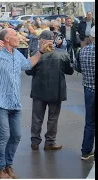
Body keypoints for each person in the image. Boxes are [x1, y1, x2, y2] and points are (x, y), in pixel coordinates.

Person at [0, 28, 53, 178]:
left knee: (16, 136)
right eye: (15, 35)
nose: (19, 36)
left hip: (15, 103)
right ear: (7, 39)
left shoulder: (17, 54)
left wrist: (40, 51)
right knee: (4, 136)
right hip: (0, 102)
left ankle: (8, 165)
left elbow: (28, 64)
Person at [25, 30, 74, 151]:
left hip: (38, 91)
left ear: (41, 40)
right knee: (53, 118)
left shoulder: (36, 53)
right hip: (56, 91)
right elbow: (70, 70)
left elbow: (28, 70)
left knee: (37, 117)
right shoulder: (63, 54)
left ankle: (35, 142)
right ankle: (50, 142)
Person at [75, 26, 95, 160]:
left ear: (91, 37)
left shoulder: (82, 51)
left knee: (90, 122)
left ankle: (86, 151)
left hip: (89, 90)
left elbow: (78, 67)